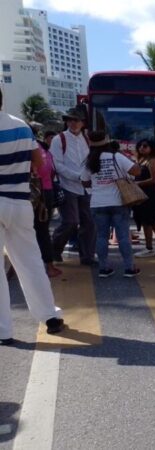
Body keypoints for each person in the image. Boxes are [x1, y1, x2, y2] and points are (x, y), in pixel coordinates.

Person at [0, 88, 64, 345]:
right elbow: (39, 162)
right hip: (19, 202)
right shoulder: (21, 126)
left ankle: (3, 331)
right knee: (31, 262)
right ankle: (50, 316)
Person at [80, 132, 141, 278]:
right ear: (106, 142)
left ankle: (103, 268)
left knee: (101, 236)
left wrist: (97, 183)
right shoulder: (116, 156)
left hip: (97, 203)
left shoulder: (89, 160)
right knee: (123, 236)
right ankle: (129, 268)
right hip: (118, 202)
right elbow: (136, 171)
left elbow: (84, 181)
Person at [50, 107, 96, 265]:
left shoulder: (87, 139)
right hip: (67, 186)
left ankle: (87, 256)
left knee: (89, 223)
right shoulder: (59, 139)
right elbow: (56, 165)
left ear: (83, 123)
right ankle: (54, 250)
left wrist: (89, 177)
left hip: (87, 188)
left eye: (76, 120)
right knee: (70, 222)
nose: (73, 123)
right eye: (70, 119)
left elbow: (92, 161)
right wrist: (78, 177)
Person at [31, 128, 61, 278]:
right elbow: (50, 171)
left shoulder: (30, 148)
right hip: (45, 192)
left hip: (34, 193)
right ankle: (49, 266)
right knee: (42, 230)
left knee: (26, 231)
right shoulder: (43, 148)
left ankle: (18, 268)